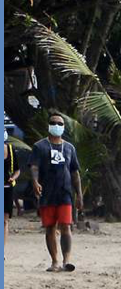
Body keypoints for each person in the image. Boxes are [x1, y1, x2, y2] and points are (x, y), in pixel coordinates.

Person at [30, 111, 82, 272]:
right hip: (47, 193)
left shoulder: (69, 148)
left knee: (66, 225)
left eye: (60, 124)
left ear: (64, 127)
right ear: (48, 125)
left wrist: (79, 194)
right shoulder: (40, 146)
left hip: (65, 192)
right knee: (50, 227)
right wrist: (35, 181)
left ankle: (67, 261)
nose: (57, 126)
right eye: (54, 123)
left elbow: (75, 172)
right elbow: (34, 166)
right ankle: (55, 261)